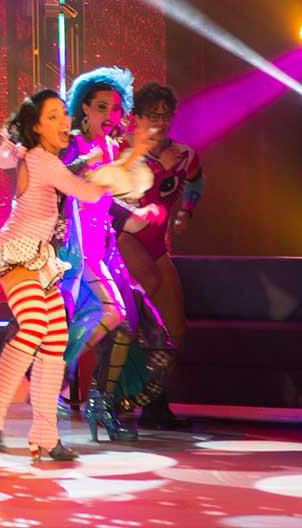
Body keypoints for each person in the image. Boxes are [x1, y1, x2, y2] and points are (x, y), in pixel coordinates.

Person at [0, 88, 153, 461]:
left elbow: (81, 172)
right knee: (34, 327)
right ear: (37, 126)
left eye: (62, 114)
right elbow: (86, 192)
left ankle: (45, 436)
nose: (63, 121)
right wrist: (123, 166)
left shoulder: (48, 159)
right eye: (52, 116)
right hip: (17, 252)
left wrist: (126, 159)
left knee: (55, 341)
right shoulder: (40, 159)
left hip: (41, 259)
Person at [60, 67, 174, 441]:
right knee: (115, 317)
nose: (109, 115)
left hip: (104, 253)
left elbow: (110, 203)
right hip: (76, 255)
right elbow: (71, 185)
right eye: (101, 107)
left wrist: (138, 214)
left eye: (115, 108)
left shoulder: (110, 150)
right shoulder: (72, 145)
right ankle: (56, 368)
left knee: (130, 330)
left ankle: (102, 404)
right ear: (83, 108)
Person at [116, 83, 202, 429]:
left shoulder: (183, 154)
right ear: (135, 118)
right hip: (124, 240)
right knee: (137, 310)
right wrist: (160, 169)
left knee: (175, 327)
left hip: (157, 245)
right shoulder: (121, 151)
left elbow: (196, 180)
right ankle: (113, 397)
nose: (160, 122)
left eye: (166, 115)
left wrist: (186, 213)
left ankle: (155, 403)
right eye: (153, 115)